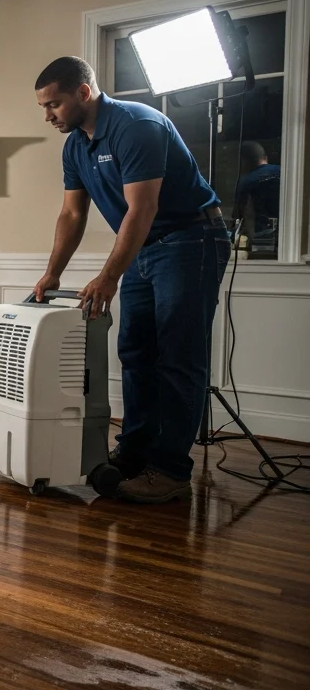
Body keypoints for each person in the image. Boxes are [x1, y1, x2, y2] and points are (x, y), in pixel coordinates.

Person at [32, 56, 229, 504]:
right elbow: (72, 214)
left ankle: (171, 470)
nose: (48, 116)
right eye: (43, 107)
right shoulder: (75, 146)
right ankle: (135, 453)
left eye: (54, 104)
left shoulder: (137, 125)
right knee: (136, 351)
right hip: (145, 246)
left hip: (190, 239)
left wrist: (108, 277)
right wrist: (52, 272)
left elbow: (143, 208)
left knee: (177, 356)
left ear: (83, 92)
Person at [232, 140, 280, 247]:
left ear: (243, 161)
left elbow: (239, 215)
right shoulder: (285, 173)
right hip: (289, 236)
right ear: (265, 157)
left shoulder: (245, 182)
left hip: (260, 239)